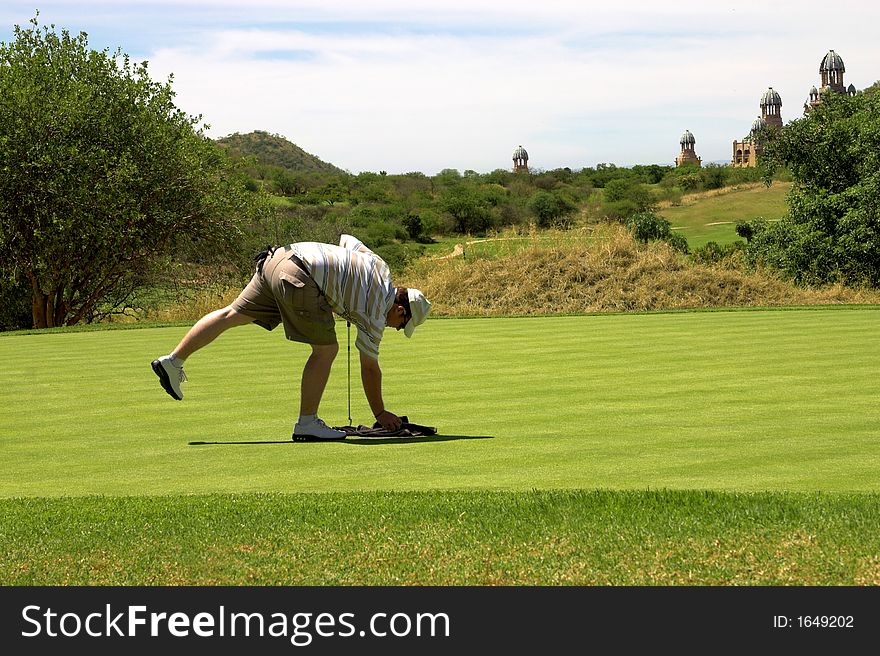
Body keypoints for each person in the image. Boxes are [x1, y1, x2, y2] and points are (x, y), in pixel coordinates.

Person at [151, 234, 431, 441]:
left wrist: (344, 283)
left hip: (278, 258)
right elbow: (370, 368)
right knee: (326, 350)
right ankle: (307, 423)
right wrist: (380, 413)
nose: (396, 328)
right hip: (301, 276)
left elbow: (347, 240)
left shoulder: (380, 267)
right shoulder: (376, 310)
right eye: (402, 323)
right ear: (399, 308)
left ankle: (173, 361)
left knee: (233, 314)